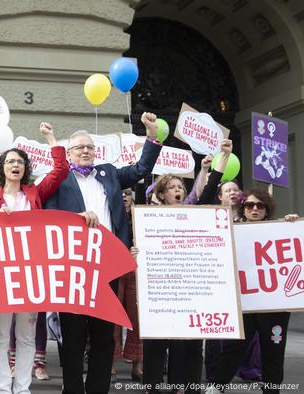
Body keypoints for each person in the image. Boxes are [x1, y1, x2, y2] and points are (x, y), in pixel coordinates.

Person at [43, 112, 162, 394]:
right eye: (79, 147)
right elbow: (48, 217)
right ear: (69, 154)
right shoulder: (59, 180)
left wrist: (152, 135)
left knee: (104, 335)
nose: (86, 150)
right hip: (73, 268)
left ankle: (98, 388)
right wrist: (77, 217)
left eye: (90, 147)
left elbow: (141, 169)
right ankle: (73, 388)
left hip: (106, 265)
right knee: (72, 335)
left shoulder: (109, 172)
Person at [0, 121, 67, 394]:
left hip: (31, 275)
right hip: (1, 277)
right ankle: (2, 387)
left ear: (25, 169)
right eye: (10, 162)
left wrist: (51, 138)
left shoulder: (35, 193)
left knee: (26, 335)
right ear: (2, 168)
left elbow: (61, 170)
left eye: (20, 162)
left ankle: (22, 388)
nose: (15, 166)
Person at [141, 139, 232, 394]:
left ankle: (184, 387)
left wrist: (223, 157)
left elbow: (212, 184)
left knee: (190, 346)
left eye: (180, 186)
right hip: (160, 293)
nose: (177, 190)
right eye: (171, 187)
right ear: (161, 194)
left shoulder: (195, 214)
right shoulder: (149, 219)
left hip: (189, 292)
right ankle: (152, 387)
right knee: (156, 346)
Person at [207, 189, 299, 394]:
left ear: (267, 210)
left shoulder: (281, 229)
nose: (255, 209)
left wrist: (292, 225)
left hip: (274, 305)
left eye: (260, 205)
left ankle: (271, 390)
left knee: (273, 352)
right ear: (243, 209)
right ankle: (217, 386)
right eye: (249, 205)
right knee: (233, 348)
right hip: (244, 304)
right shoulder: (233, 231)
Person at [111, 189, 142, 382]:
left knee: (137, 319)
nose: (123, 196)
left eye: (128, 192)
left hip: (135, 271)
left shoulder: (141, 216)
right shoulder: (108, 212)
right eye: (120, 192)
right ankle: (111, 363)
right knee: (112, 319)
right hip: (113, 268)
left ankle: (138, 364)